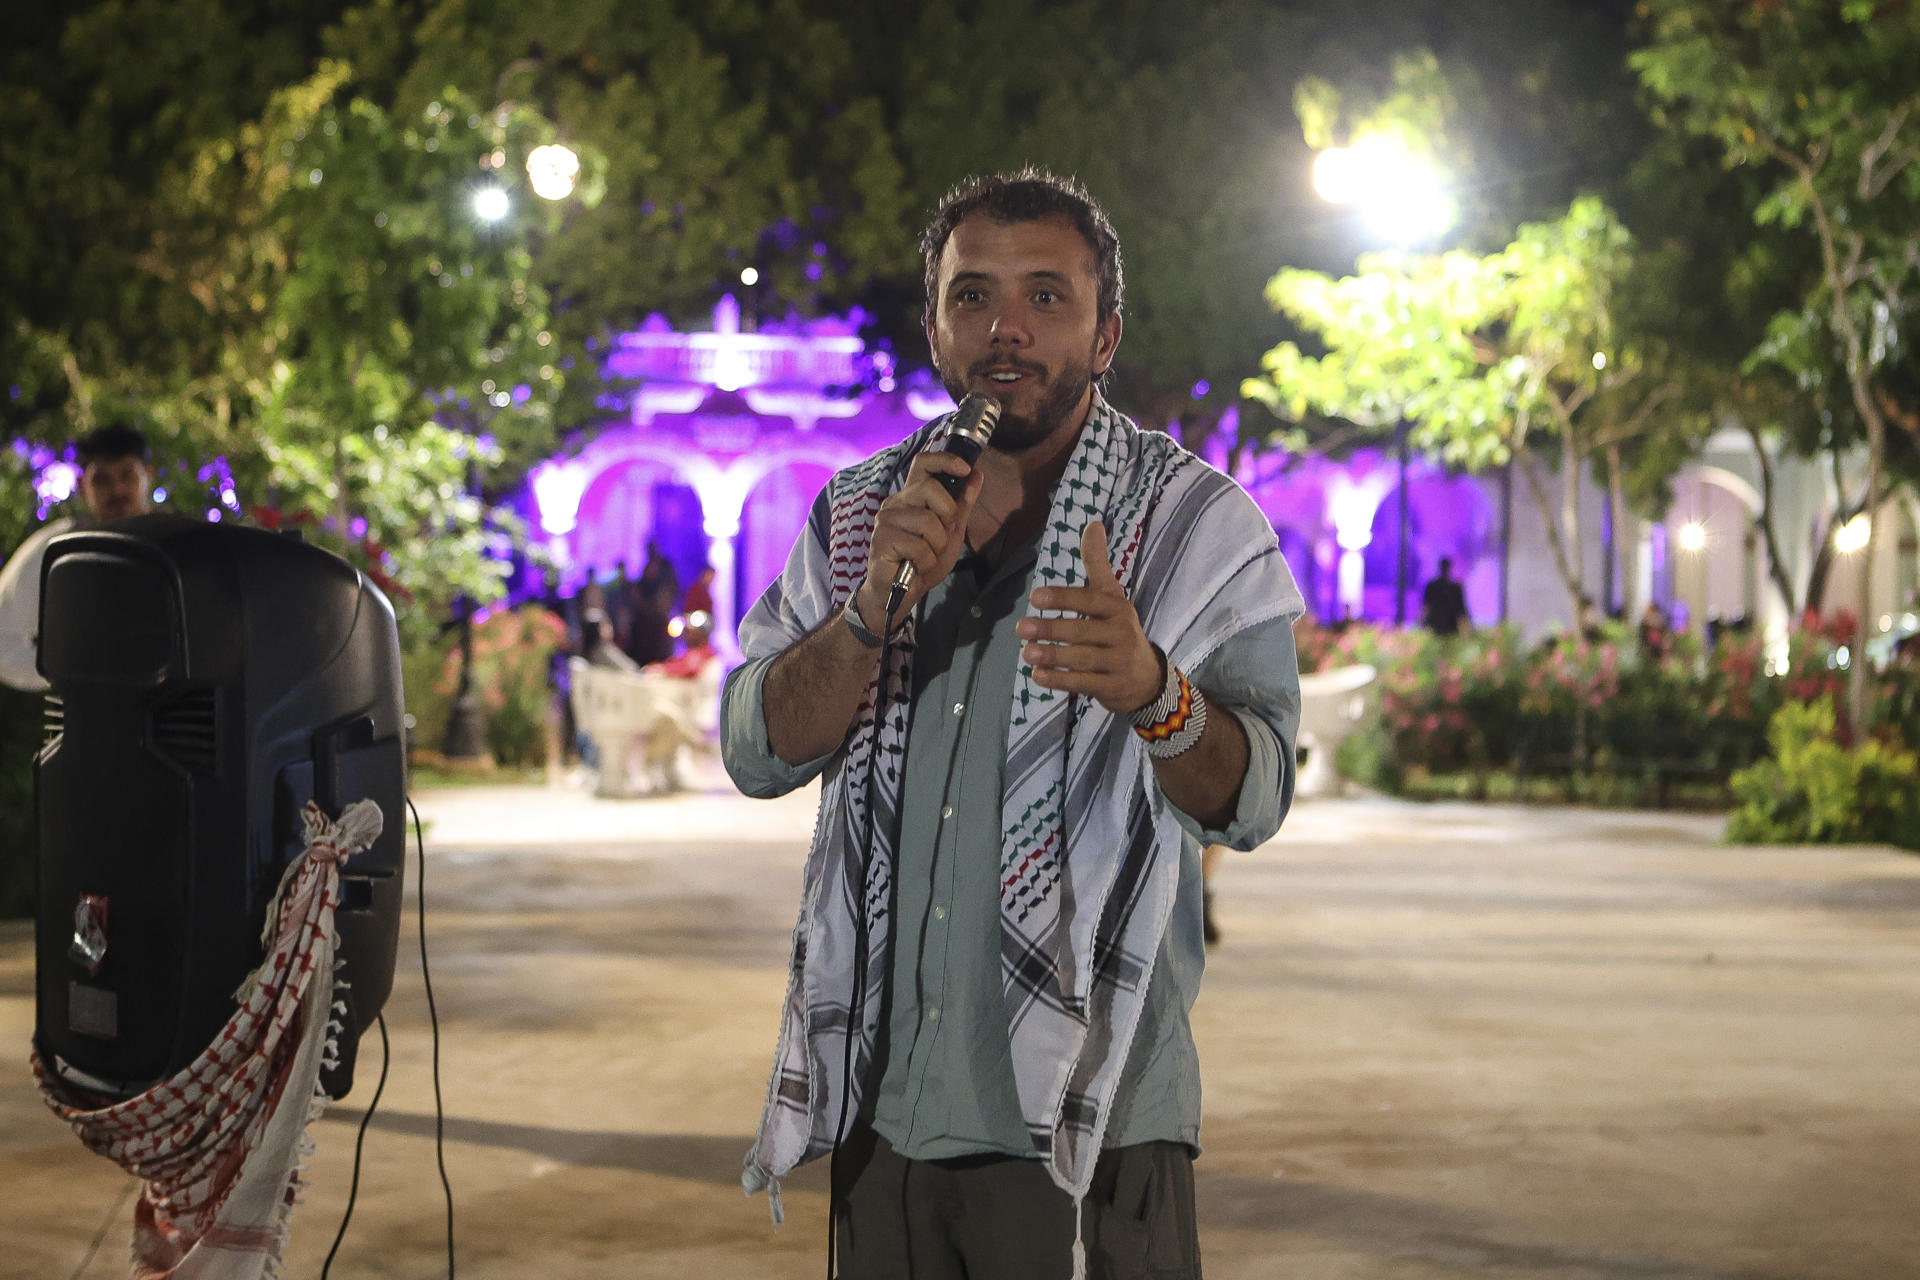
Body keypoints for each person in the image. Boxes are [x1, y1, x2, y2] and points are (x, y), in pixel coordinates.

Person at [721, 169, 1303, 1279]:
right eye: (973, 296)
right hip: (884, 1120)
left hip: (1100, 1127)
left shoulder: (1193, 528)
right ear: (935, 330)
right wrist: (867, 610)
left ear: (1105, 334)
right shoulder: (862, 515)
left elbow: (1256, 796)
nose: (1008, 329)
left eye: (1048, 297)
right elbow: (756, 748)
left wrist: (1153, 691)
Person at [0, 422, 153, 690]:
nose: (117, 490)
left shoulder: (179, 543)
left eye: (127, 475)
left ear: (147, 475)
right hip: (92, 719)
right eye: (102, 479)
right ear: (83, 486)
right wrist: (73, 668)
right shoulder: (58, 548)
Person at [1419, 556, 1469, 636]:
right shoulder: (1433, 587)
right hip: (1437, 627)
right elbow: (1426, 607)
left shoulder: (1454, 588)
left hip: (1449, 627)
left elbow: (1461, 610)